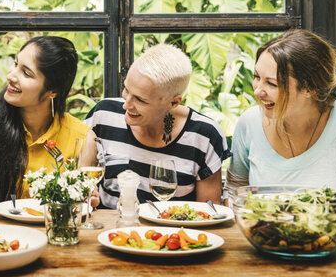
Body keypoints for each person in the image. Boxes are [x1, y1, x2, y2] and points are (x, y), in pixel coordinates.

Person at [85, 43, 230, 208]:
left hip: (172, 232)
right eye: (126, 89)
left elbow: (208, 212)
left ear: (173, 102)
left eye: (140, 100)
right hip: (110, 231)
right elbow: (79, 178)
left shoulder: (204, 136)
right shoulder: (104, 114)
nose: (126, 105)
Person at [0, 35, 98, 209]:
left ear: (53, 91)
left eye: (26, 73)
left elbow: (78, 212)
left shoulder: (83, 140)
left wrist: (88, 199)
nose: (11, 76)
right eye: (15, 63)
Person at [227, 29, 336, 189]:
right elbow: (235, 190)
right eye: (256, 77)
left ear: (309, 88)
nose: (258, 91)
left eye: (272, 84)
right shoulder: (249, 122)